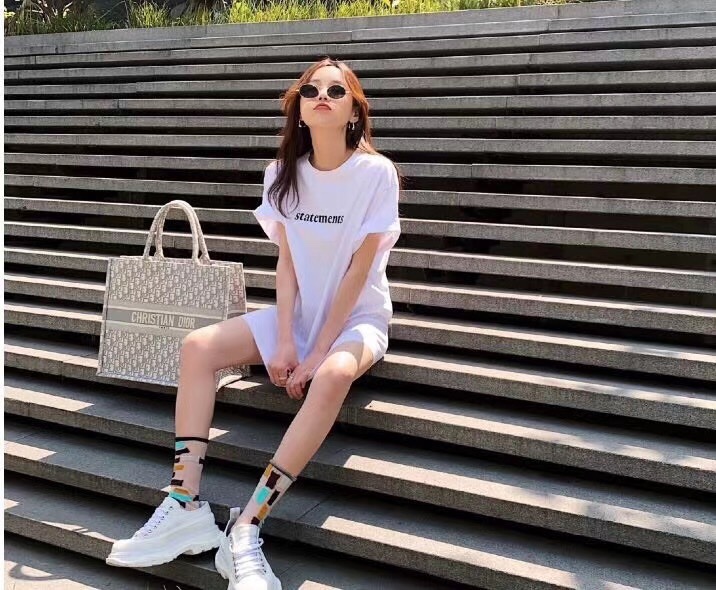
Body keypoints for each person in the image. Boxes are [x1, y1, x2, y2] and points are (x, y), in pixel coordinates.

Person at [105, 56, 402, 590]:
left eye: (337, 91)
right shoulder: (281, 174)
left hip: (357, 321)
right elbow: (286, 265)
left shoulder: (375, 174)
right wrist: (285, 340)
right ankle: (184, 502)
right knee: (198, 346)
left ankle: (247, 525)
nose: (323, 97)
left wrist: (316, 354)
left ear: (355, 111)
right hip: (300, 316)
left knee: (332, 375)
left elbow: (359, 273)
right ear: (299, 110)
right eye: (311, 90)